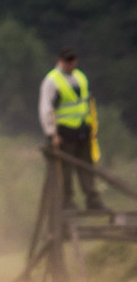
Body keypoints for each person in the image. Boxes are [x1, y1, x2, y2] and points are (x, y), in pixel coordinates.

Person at [39, 47, 103, 212]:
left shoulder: (80, 77)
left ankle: (93, 201)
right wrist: (51, 133)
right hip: (64, 132)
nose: (70, 64)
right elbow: (46, 108)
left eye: (73, 60)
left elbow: (88, 103)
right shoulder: (52, 81)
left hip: (83, 130)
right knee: (65, 170)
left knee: (87, 167)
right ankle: (67, 202)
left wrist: (92, 127)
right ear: (60, 61)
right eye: (67, 61)